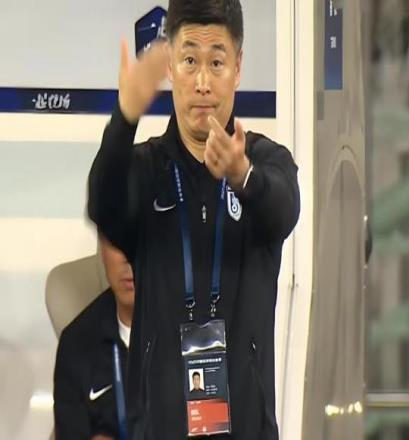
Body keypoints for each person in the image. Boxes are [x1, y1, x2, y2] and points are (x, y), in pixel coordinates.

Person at [87, 0, 300, 438]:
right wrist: (124, 118)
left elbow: (285, 209)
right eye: (189, 61)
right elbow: (102, 205)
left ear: (238, 68)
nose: (202, 82)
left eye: (216, 62)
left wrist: (242, 176)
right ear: (170, 66)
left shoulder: (265, 161)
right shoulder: (146, 168)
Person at [53, 236, 135, 440]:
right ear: (102, 250)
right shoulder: (75, 344)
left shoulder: (197, 331)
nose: (128, 257)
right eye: (116, 242)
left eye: (139, 242)